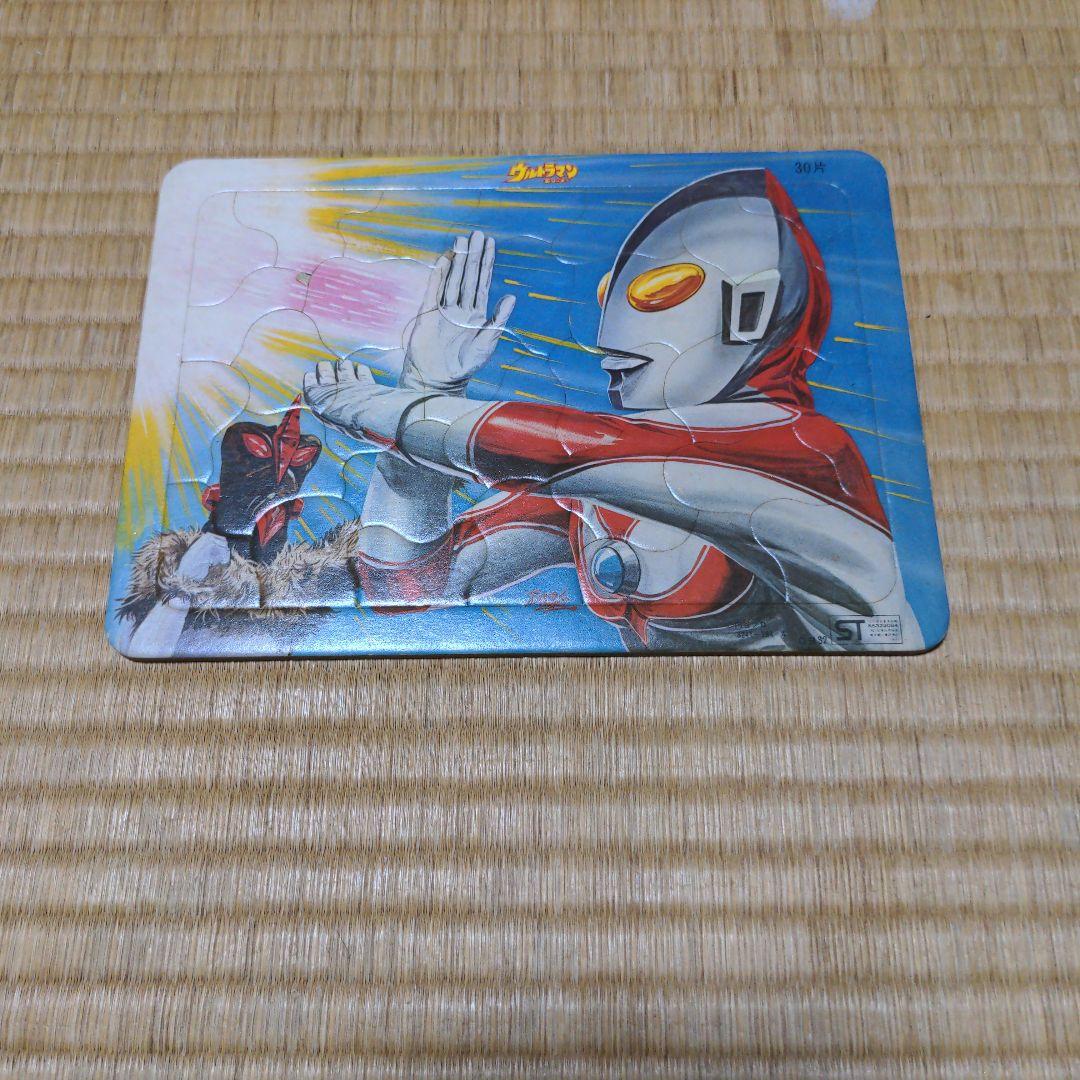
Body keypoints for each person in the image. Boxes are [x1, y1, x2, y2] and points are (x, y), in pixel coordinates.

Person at [304, 169, 922, 652]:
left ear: (751, 311)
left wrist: (392, 407)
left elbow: (557, 448)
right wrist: (424, 389)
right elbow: (409, 590)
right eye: (609, 292)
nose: (610, 330)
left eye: (657, 290)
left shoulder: (807, 453)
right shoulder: (600, 491)